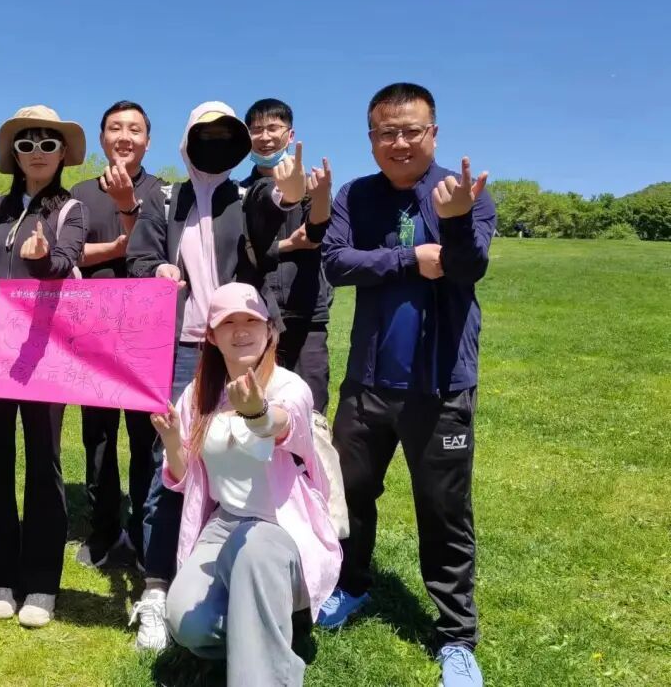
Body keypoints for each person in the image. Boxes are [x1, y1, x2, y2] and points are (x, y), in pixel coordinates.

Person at [319, 83, 495, 687]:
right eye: (386, 132)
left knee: (444, 508)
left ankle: (456, 636)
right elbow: (336, 262)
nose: (399, 142)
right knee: (350, 494)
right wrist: (406, 259)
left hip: (440, 385)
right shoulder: (356, 195)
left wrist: (456, 221)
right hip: (367, 383)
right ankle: (351, 585)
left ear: (433, 133)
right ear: (371, 138)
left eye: (411, 130)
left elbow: (468, 268)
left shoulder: (464, 192)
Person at [125, 101, 306, 650]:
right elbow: (139, 257)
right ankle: (159, 585)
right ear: (187, 143)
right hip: (179, 347)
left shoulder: (244, 196)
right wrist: (156, 268)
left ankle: (254, 570)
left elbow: (270, 225)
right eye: (202, 137)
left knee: (252, 447)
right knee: (170, 459)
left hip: (239, 344)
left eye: (223, 138)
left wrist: (289, 195)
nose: (212, 148)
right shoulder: (164, 199)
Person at [151, 283, 341, 686]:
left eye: (251, 321)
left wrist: (257, 413)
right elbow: (183, 480)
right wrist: (170, 440)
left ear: (270, 330)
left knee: (253, 550)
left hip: (279, 529)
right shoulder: (198, 394)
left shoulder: (289, 387)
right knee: (187, 622)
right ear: (211, 336)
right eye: (228, 323)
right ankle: (263, 624)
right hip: (223, 525)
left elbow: (284, 422)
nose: (241, 331)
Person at [0, 104, 88, 628]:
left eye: (48, 144)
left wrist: (40, 257)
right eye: (27, 143)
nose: (37, 152)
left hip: (46, 354)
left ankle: (40, 582)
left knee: (44, 462)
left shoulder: (71, 210)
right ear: (14, 154)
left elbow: (64, 262)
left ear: (62, 155)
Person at [70, 100, 165, 570]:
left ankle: (147, 533)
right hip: (94, 332)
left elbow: (164, 254)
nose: (124, 137)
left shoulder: (165, 193)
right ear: (102, 137)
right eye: (115, 128)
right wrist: (118, 247)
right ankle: (104, 528)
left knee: (148, 436)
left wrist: (131, 237)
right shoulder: (80, 193)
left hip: (148, 333)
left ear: (148, 140)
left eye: (134, 129)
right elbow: (67, 253)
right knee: (99, 435)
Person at [242, 98, 334, 411]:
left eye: (273, 128)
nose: (265, 136)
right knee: (257, 405)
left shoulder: (311, 185)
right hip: (257, 312)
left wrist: (321, 197)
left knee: (311, 404)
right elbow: (241, 249)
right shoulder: (238, 191)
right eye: (256, 130)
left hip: (306, 312)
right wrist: (288, 246)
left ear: (290, 135)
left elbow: (316, 236)